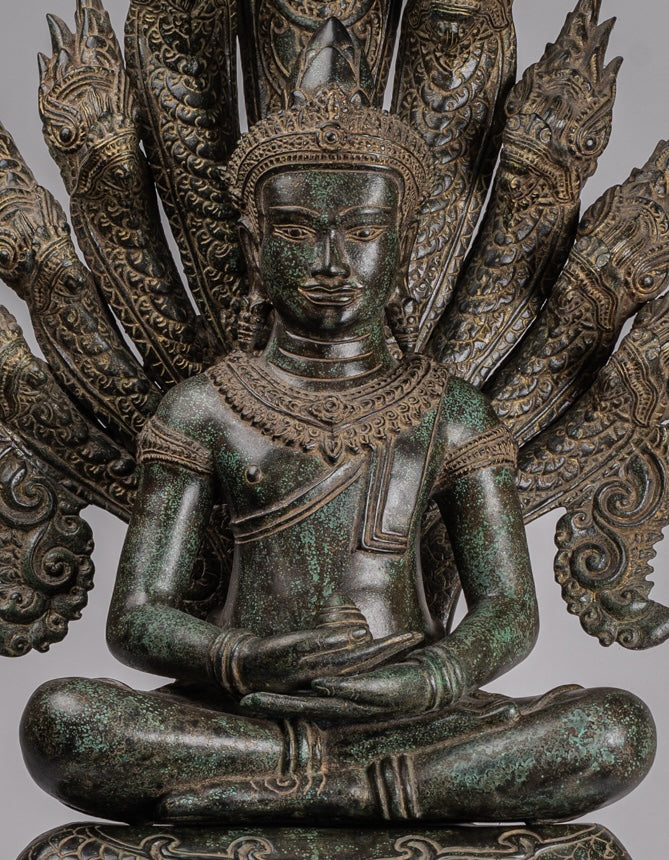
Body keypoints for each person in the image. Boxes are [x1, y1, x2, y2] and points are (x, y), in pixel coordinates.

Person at [20, 85, 654, 827]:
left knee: (616, 729)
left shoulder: (451, 412)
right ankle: (385, 786)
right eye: (296, 230)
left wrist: (432, 678)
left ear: (401, 247)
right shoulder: (203, 409)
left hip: (411, 716)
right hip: (245, 712)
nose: (329, 262)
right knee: (63, 720)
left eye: (362, 232)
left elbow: (508, 609)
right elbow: (136, 617)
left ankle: (336, 789)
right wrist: (243, 658)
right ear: (255, 249)